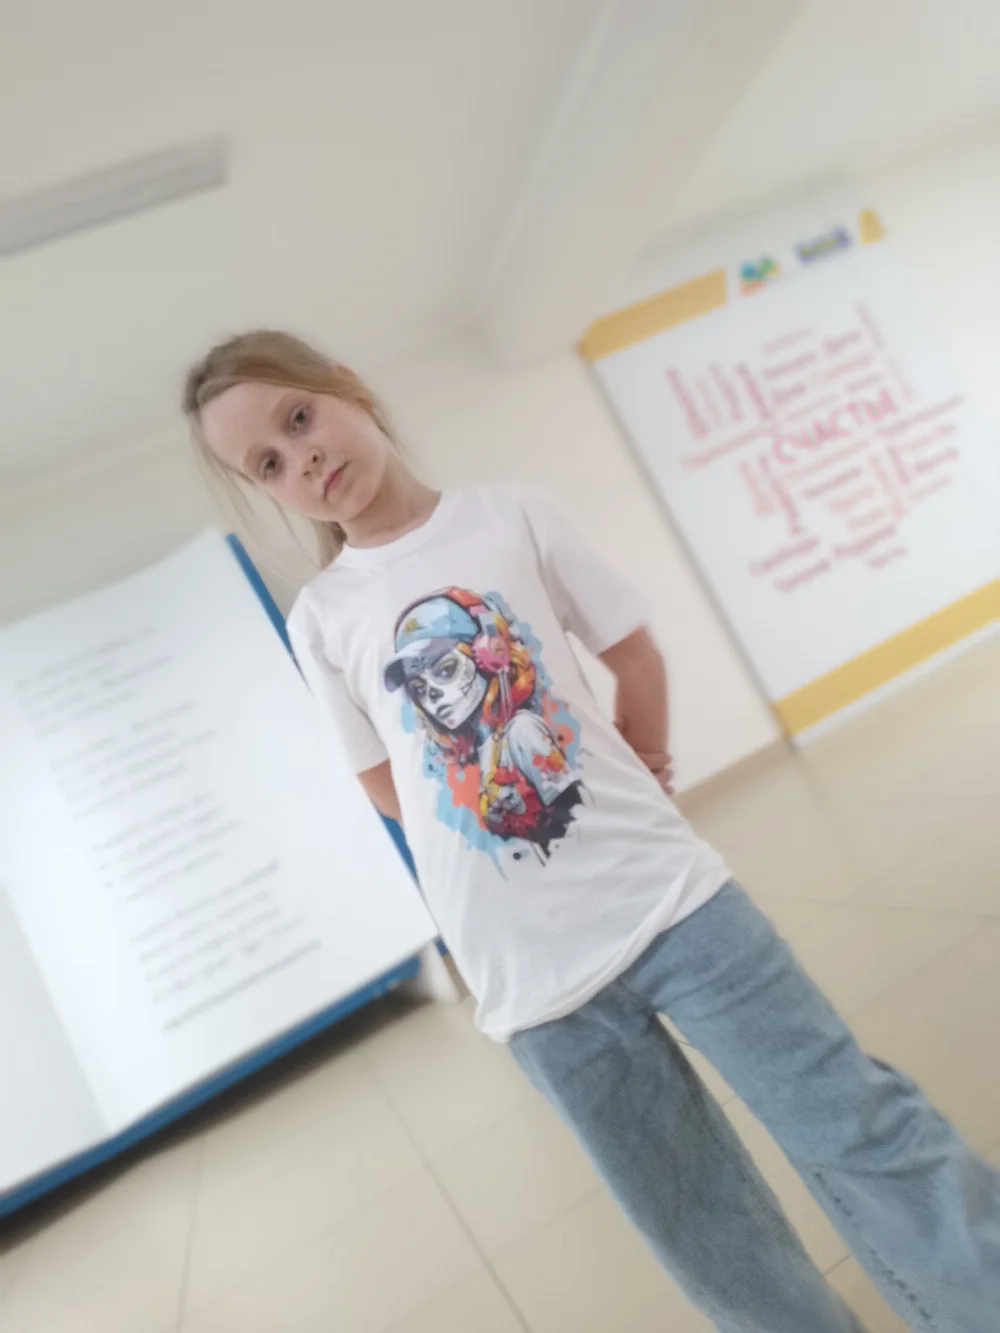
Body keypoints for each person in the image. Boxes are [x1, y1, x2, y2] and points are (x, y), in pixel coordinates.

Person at [184, 329, 1000, 1333]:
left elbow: (633, 655)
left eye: (299, 417)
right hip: (531, 982)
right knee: (707, 1237)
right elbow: (386, 784)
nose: (301, 459)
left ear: (346, 387)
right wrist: (493, 821)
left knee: (860, 1124)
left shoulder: (510, 514)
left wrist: (641, 772)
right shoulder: (321, 619)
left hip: (675, 902)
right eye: (267, 464)